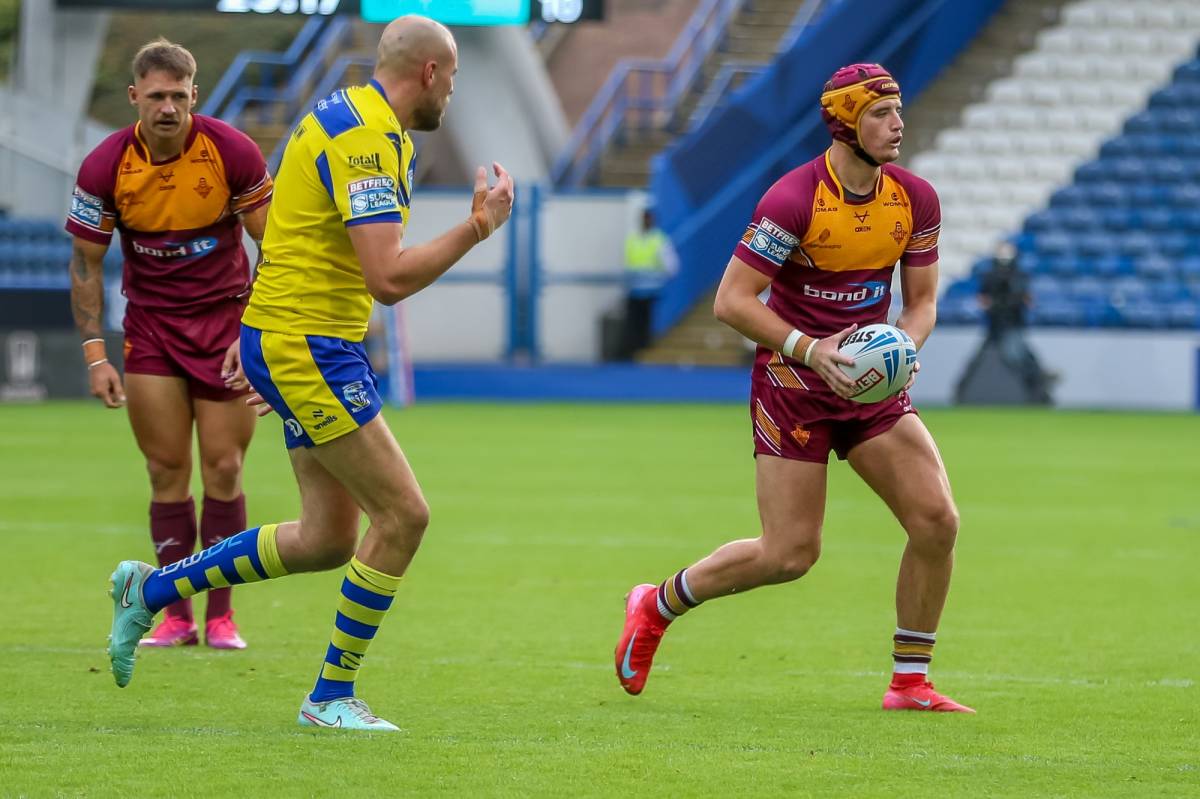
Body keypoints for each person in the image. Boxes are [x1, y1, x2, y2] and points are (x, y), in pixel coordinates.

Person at [105, 15, 514, 732]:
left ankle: (154, 588)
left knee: (327, 538)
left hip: (295, 338)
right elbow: (387, 278)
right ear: (429, 72)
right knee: (405, 516)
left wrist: (258, 337)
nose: (452, 90)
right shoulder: (367, 138)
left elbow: (289, 232)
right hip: (309, 345)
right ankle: (329, 696)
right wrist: (477, 227)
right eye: (451, 76)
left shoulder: (347, 113)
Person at [614, 64, 974, 713]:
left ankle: (909, 682)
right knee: (789, 554)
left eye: (898, 110)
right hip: (793, 384)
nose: (899, 124)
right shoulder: (793, 199)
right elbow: (731, 300)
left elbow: (922, 303)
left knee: (936, 520)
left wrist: (903, 348)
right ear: (845, 124)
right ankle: (656, 604)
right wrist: (813, 350)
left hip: (868, 387)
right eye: (882, 113)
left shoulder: (915, 199)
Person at [68, 39, 273, 650]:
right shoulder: (104, 166)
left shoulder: (231, 152)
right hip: (153, 331)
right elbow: (84, 264)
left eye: (178, 96)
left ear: (194, 96)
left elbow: (275, 249)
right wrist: (96, 355)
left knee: (225, 468)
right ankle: (177, 616)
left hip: (225, 327)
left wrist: (253, 332)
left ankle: (222, 617)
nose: (167, 107)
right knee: (165, 470)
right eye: (156, 96)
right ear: (135, 96)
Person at [974, 241, 1053, 403]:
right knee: (985, 359)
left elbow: (1027, 300)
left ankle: (1039, 383)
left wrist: (1005, 302)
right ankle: (1040, 379)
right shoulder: (990, 276)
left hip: (1012, 323)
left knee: (1016, 355)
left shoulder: (1019, 276)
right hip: (995, 324)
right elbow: (983, 300)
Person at [620, 207, 675, 357]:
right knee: (633, 324)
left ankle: (644, 351)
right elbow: (627, 264)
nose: (646, 221)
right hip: (634, 290)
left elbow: (671, 266)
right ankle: (632, 352)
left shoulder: (659, 239)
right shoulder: (632, 239)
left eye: (648, 218)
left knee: (645, 324)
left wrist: (657, 278)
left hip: (651, 290)